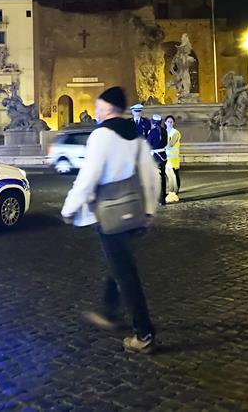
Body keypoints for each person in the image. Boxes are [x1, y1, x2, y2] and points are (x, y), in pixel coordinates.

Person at [61, 86, 161, 354]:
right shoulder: (137, 138)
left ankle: (144, 333)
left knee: (126, 274)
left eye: (97, 107)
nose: (94, 112)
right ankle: (110, 312)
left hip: (111, 214)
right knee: (119, 264)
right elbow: (153, 177)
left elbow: (88, 177)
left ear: (107, 109)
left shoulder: (101, 136)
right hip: (135, 214)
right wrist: (149, 211)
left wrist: (69, 208)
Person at [147, 114, 168, 205]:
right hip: (163, 156)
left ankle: (158, 198)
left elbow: (148, 144)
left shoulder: (152, 132)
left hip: (155, 157)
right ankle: (162, 198)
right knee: (162, 177)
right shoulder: (164, 131)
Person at [164, 115, 182, 198]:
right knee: (169, 175)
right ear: (165, 123)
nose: (170, 123)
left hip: (173, 158)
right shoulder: (164, 131)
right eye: (168, 121)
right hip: (166, 157)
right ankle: (172, 190)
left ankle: (175, 191)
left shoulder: (175, 132)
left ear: (173, 123)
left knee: (174, 174)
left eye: (171, 122)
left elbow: (171, 144)